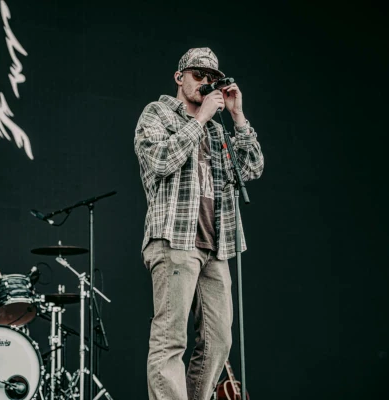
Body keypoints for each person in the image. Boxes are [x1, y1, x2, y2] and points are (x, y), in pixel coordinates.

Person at [134, 47, 265, 400]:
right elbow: (160, 161)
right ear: (180, 77)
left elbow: (252, 169)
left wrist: (237, 117)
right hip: (175, 240)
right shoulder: (157, 113)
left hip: (217, 244)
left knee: (220, 339)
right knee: (170, 338)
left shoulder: (219, 129)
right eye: (198, 75)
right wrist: (200, 118)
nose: (206, 83)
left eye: (213, 79)